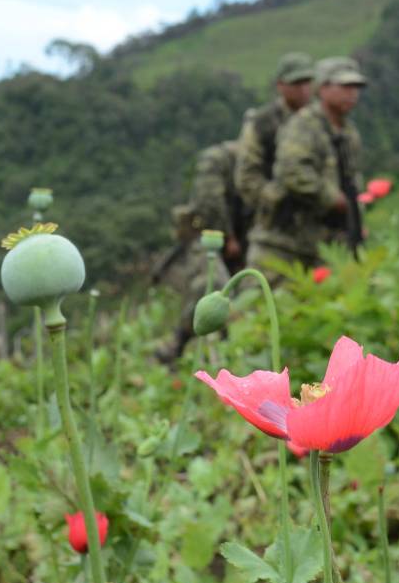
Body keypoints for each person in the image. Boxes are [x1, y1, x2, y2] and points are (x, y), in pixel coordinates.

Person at [246, 56, 365, 282]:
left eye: (356, 87)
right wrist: (332, 198)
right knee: (262, 310)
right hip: (284, 244)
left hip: (324, 245)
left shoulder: (348, 132)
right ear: (323, 88)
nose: (352, 93)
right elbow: (291, 172)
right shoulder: (303, 125)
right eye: (345, 86)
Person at [153, 140, 246, 359]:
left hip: (242, 243)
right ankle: (178, 343)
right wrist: (228, 235)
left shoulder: (262, 162)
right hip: (207, 237)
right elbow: (209, 200)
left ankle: (230, 355)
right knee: (212, 288)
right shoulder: (220, 158)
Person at [235, 52, 315, 218]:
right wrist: (275, 201)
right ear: (280, 85)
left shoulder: (321, 120)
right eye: (296, 83)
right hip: (277, 218)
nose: (303, 89)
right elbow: (247, 176)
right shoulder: (263, 122)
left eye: (307, 82)